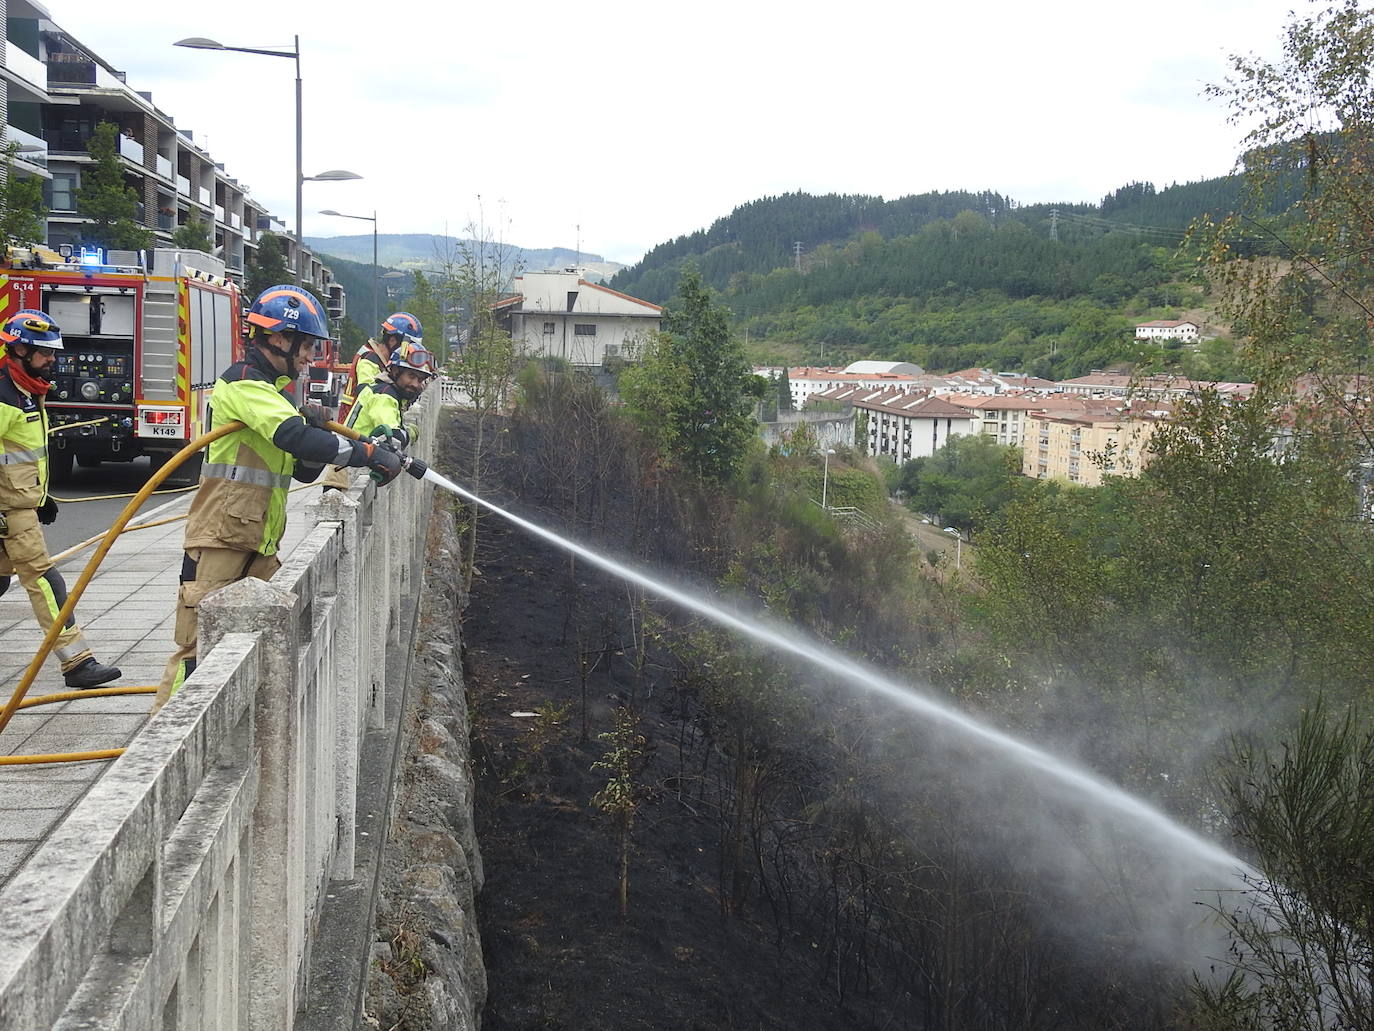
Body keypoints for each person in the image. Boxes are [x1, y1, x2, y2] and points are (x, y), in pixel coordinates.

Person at [153, 285, 407, 709]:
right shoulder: (244, 384)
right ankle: (165, 735)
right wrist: (365, 453)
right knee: (197, 650)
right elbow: (292, 436)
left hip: (257, 541)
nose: (310, 356)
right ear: (277, 338)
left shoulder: (274, 393)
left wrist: (321, 433)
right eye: (306, 346)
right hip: (220, 540)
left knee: (268, 636)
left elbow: (300, 464)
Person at [0, 310, 121, 689]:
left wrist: (42, 496)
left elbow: (20, 455)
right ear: (20, 350)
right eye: (45, 352)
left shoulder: (25, 390)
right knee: (44, 580)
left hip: (21, 503)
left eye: (53, 352)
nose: (53, 359)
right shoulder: (3, 396)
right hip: (9, 512)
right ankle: (77, 663)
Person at [321, 344, 435, 492]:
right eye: (411, 376)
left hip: (348, 467)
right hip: (346, 476)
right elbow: (393, 438)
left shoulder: (384, 389)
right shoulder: (384, 396)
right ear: (395, 371)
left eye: (420, 380)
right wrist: (409, 433)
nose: (415, 384)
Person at [338, 311, 423, 422]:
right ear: (392, 341)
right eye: (407, 348)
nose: (409, 353)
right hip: (354, 425)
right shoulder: (369, 359)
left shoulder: (382, 362)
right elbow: (369, 393)